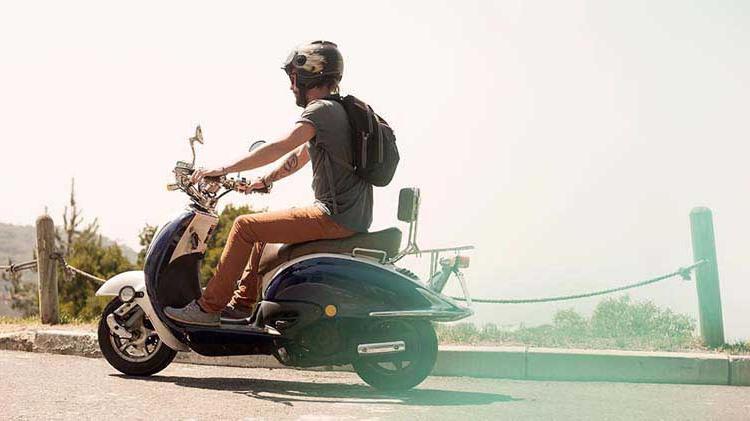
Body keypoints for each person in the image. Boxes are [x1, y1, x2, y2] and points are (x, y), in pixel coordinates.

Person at [164, 40, 373, 326]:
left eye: (293, 78)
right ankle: (240, 306)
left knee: (244, 226)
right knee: (261, 229)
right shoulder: (339, 111)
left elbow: (281, 146)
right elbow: (300, 157)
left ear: (311, 73)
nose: (291, 86)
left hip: (333, 215)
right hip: (348, 214)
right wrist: (264, 181)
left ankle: (208, 308)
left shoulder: (321, 110)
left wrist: (221, 168)